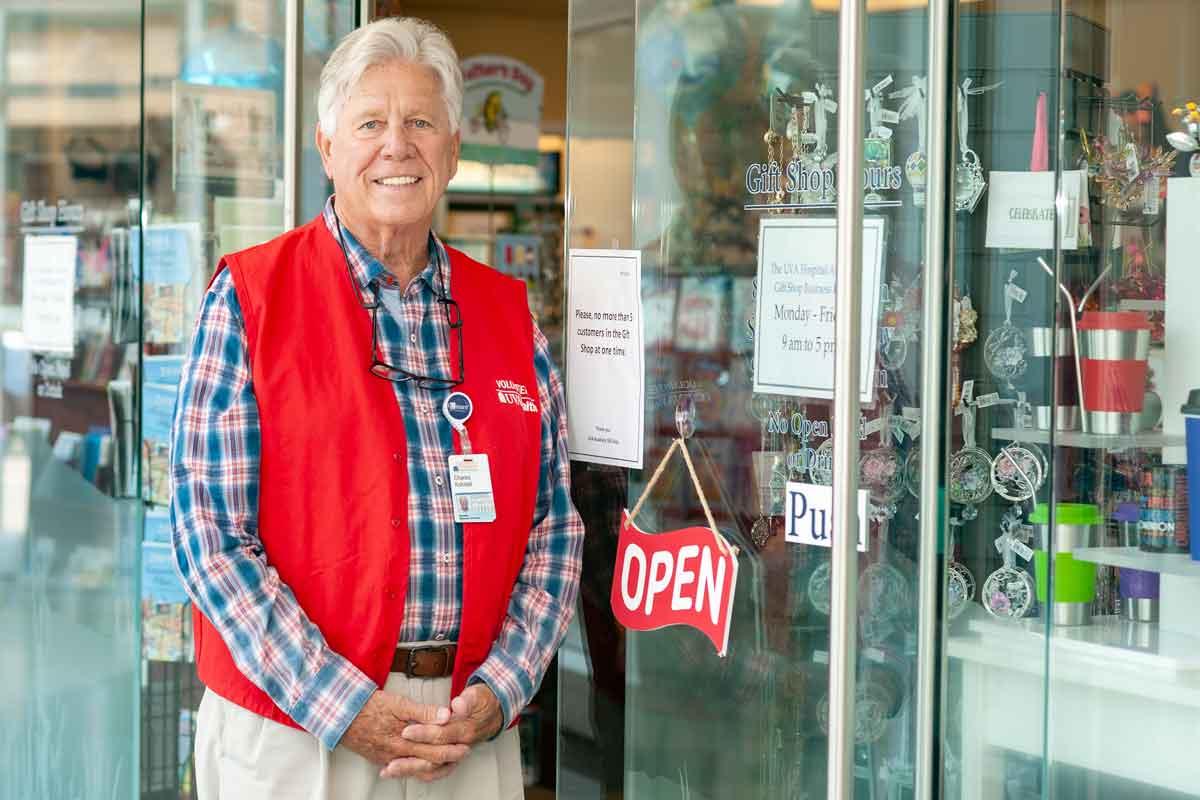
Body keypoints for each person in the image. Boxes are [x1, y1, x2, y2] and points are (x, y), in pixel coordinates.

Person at [169, 17, 583, 799]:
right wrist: (344, 704)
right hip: (292, 730)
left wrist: (501, 691)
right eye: (370, 123)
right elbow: (209, 537)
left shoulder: (507, 314)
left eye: (421, 122)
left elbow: (553, 528)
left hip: (464, 731)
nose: (397, 145)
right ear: (327, 147)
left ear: (454, 149)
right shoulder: (251, 299)